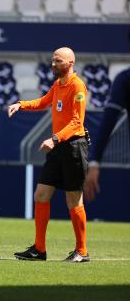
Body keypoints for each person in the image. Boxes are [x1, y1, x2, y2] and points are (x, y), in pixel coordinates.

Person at [7, 47, 90, 263]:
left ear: (70, 63)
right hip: (59, 148)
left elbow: (76, 122)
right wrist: (21, 105)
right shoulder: (58, 85)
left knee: (73, 199)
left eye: (58, 61)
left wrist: (54, 139)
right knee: (41, 195)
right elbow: (44, 101)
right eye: (52, 60)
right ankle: (39, 250)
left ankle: (82, 251)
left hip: (73, 147)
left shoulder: (77, 86)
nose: (53, 64)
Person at [84, 68, 130, 200]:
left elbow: (108, 122)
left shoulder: (124, 78)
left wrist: (94, 162)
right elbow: (108, 121)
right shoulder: (125, 79)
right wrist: (94, 162)